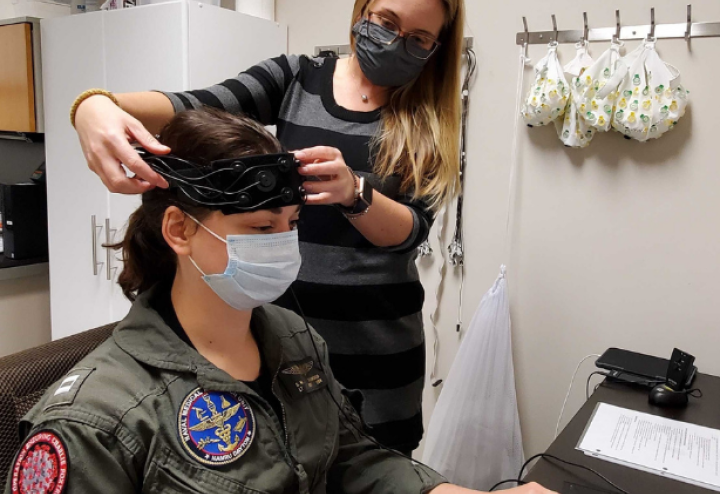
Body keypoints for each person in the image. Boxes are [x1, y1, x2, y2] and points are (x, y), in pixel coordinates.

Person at [5, 108, 556, 494]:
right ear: (179, 229)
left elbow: (347, 457)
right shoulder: (95, 424)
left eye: (290, 226)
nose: (281, 246)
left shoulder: (294, 338)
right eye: (260, 227)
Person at [75, 0, 459, 453]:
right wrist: (97, 106)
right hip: (281, 343)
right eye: (386, 23)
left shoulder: (429, 118)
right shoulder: (295, 78)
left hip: (377, 350)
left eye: (417, 39)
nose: (395, 42)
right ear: (363, 11)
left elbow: (413, 231)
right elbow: (191, 105)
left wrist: (355, 192)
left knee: (372, 465)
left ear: (437, 46)